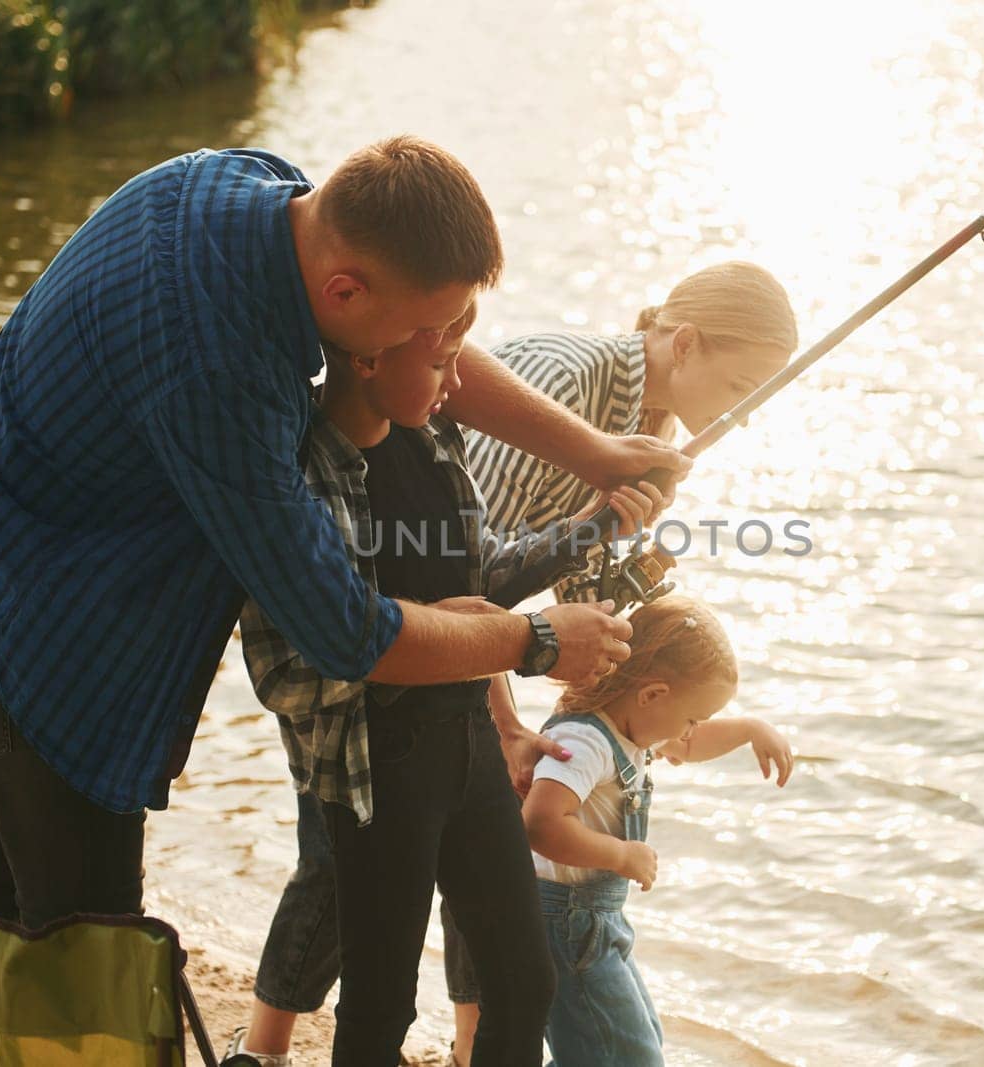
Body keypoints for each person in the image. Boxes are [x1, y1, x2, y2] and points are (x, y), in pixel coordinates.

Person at [0, 136, 686, 1066]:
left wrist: (598, 454)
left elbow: (429, 360)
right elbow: (348, 630)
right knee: (84, 946)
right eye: (418, 335)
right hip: (33, 630)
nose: (440, 356)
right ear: (346, 295)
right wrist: (536, 640)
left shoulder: (254, 189)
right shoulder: (223, 372)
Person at [230, 299, 667, 1066]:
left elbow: (481, 579)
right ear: (367, 355)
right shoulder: (306, 467)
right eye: (441, 363)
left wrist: (597, 523)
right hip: (381, 770)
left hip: (465, 746)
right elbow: (334, 647)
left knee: (524, 983)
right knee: (379, 1008)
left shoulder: (435, 435)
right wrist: (521, 641)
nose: (458, 380)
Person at [447, 259, 800, 1060]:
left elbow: (559, 575)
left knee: (483, 864)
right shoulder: (568, 383)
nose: (742, 415)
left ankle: (471, 1050)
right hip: (400, 637)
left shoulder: (652, 420)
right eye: (740, 385)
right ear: (685, 342)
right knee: (360, 879)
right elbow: (457, 571)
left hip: (479, 659)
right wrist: (504, 719)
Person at [522, 593, 785, 1066]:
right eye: (691, 718)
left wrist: (749, 729)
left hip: (596, 921)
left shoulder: (634, 726)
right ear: (653, 695)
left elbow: (690, 744)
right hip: (567, 925)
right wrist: (622, 856)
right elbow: (540, 823)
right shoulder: (584, 741)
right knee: (622, 1053)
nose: (689, 732)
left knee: (631, 1039)